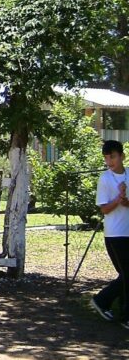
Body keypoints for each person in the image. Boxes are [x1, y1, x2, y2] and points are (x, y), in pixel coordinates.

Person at [92, 140, 129, 329]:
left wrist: (125, 200)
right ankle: (102, 300)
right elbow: (104, 209)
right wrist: (117, 198)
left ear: (121, 156)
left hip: (128, 231)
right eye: (106, 158)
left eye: (112, 157)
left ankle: (125, 313)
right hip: (115, 235)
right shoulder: (105, 179)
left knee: (125, 276)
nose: (109, 161)